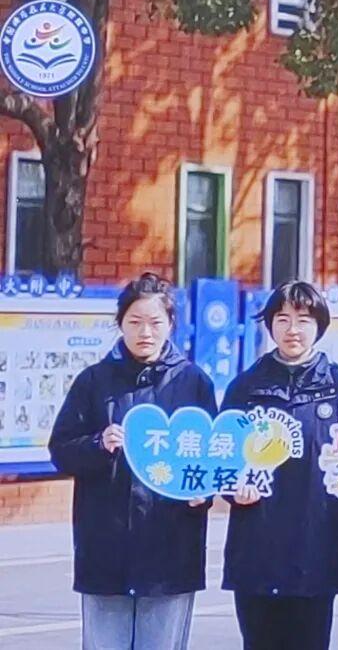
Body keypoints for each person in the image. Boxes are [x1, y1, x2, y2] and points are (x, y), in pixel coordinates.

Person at [49, 272, 217, 650]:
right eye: (135, 321)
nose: (145, 332)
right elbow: (61, 450)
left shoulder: (193, 382)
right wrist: (98, 443)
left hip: (171, 551)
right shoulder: (93, 381)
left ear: (171, 324)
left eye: (155, 322)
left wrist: (203, 493)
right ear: (120, 323)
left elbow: (213, 457)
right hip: (106, 549)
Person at [221, 280, 338, 650]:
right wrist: (233, 489)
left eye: (304, 320)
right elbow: (221, 456)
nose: (293, 329)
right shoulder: (246, 387)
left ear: (319, 326)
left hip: (316, 548)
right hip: (257, 547)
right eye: (283, 319)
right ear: (270, 324)